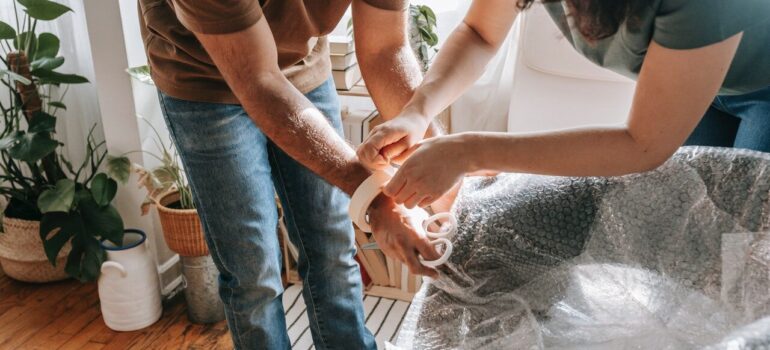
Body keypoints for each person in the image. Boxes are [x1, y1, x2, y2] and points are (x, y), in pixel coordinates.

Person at [137, 1, 444, 348]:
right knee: (253, 270)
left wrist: (447, 177)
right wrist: (376, 198)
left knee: (332, 245)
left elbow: (385, 47)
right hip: (204, 81)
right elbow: (259, 80)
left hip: (302, 66)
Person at [357, 0, 770, 209]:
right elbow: (480, 33)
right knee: (686, 224)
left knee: (745, 245)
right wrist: (417, 110)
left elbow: (643, 144)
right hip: (703, 86)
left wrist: (468, 151)